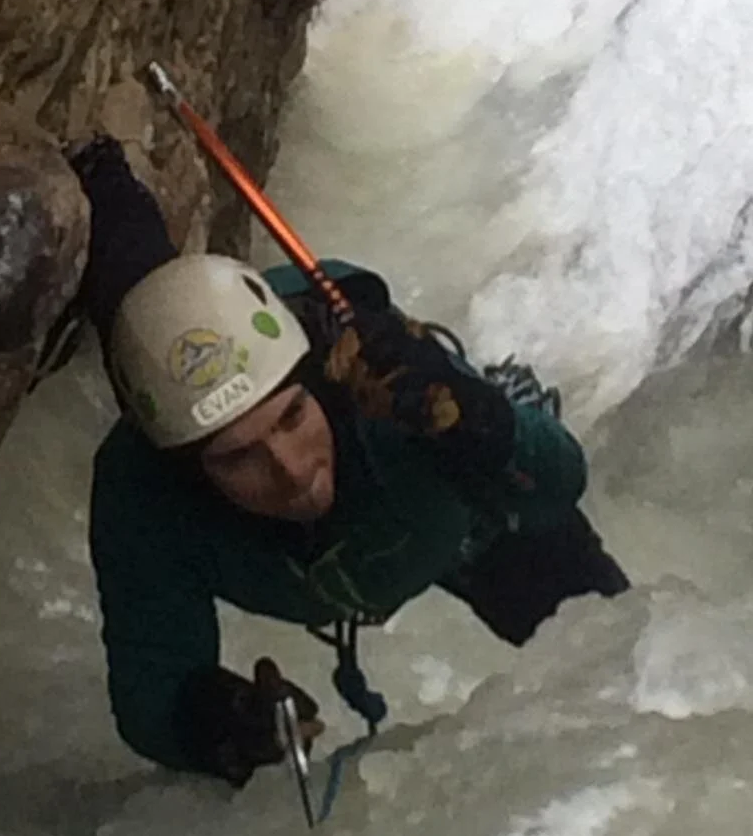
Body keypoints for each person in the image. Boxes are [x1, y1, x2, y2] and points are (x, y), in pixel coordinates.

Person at [62, 137, 628, 789]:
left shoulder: (392, 393)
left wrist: (485, 422)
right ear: (190, 470)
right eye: (239, 457)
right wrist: (220, 721)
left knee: (608, 655)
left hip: (461, 527)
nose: (292, 471)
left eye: (294, 419)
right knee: (142, 310)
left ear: (318, 389)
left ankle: (104, 175)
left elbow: (557, 481)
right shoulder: (145, 494)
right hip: (383, 532)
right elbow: (150, 691)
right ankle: (102, 181)